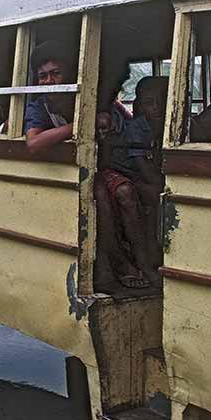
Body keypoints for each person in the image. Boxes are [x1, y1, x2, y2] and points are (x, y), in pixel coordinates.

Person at [94, 76, 168, 291]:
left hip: (137, 172)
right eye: (149, 103)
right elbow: (142, 169)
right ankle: (145, 258)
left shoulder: (158, 123)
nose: (156, 108)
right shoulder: (137, 127)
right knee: (151, 195)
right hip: (122, 171)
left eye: (160, 102)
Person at [24, 41, 77, 154]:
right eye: (43, 76)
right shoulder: (39, 106)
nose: (48, 81)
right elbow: (33, 143)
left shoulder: (84, 99)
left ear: (69, 75)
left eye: (56, 73)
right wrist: (83, 125)